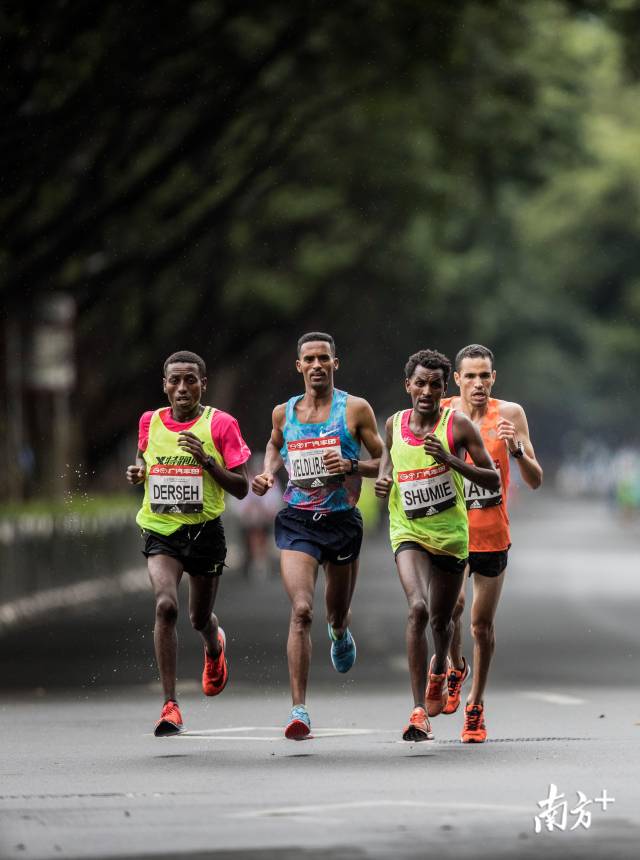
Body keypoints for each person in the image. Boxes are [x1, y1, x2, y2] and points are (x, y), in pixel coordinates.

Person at [252, 332, 383, 739]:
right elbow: (274, 445)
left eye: (323, 358)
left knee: (335, 613)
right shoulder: (283, 412)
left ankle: (340, 632)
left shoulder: (355, 409)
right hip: (297, 520)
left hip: (342, 522)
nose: (316, 366)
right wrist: (269, 472)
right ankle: (299, 710)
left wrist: (350, 465)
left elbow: (383, 459)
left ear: (334, 363)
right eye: (309, 359)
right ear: (299, 366)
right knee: (302, 610)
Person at [375, 349, 499, 742]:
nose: (426, 391)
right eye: (420, 383)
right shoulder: (394, 424)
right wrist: (383, 481)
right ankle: (416, 712)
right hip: (408, 532)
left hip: (450, 537)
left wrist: (451, 460)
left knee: (441, 622)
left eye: (434, 384)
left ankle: (440, 670)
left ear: (444, 388)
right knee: (417, 608)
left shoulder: (457, 424)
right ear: (407, 385)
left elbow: (491, 479)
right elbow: (387, 464)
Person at [126, 350, 250, 736]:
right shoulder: (150, 421)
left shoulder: (221, 424)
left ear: (203, 384)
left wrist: (208, 463)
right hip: (161, 530)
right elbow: (143, 457)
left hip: (205, 534)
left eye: (190, 380)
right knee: (166, 606)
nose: (182, 388)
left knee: (198, 618)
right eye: (175, 381)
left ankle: (215, 647)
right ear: (164, 384)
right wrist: (139, 471)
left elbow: (244, 488)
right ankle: (170, 705)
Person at [441, 344, 543, 742]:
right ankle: (454, 665)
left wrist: (516, 450)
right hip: (450, 531)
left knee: (481, 625)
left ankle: (475, 705)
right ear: (458, 379)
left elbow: (534, 480)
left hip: (491, 533)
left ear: (493, 378)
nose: (478, 383)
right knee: (450, 608)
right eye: (471, 376)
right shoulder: (443, 411)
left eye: (485, 376)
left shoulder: (511, 414)